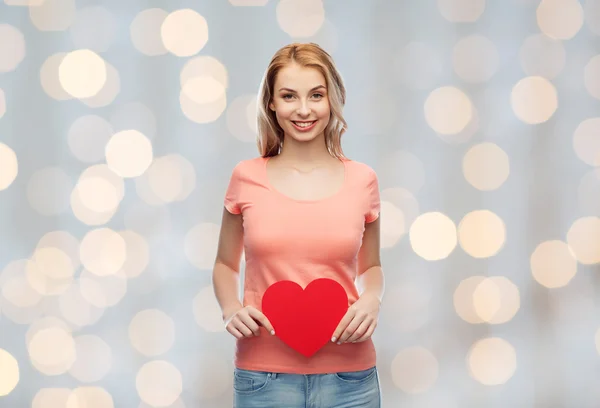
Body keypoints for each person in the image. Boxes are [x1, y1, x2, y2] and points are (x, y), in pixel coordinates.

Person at [212, 42, 385, 408]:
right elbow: (225, 265)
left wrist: (372, 298)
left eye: (316, 95)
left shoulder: (363, 180)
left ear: (332, 99)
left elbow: (371, 266)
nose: (304, 110)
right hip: (264, 380)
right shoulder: (246, 177)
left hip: (351, 379)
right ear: (271, 103)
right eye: (289, 96)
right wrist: (231, 310)